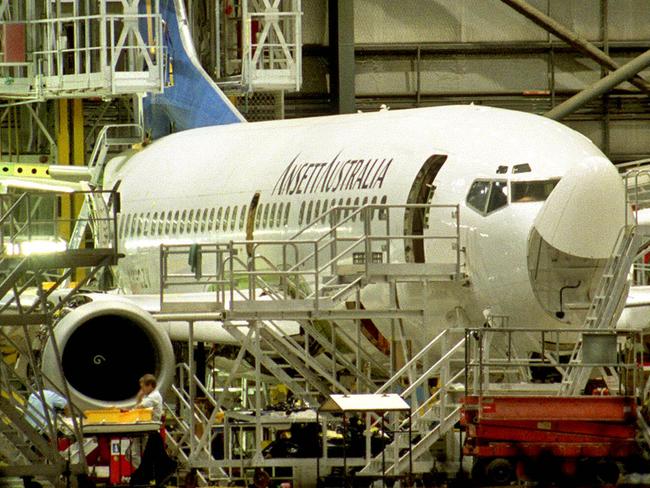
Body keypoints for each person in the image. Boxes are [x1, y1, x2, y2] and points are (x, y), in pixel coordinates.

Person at [129, 374, 177, 487]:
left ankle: (145, 473)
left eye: (143, 387)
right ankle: (144, 473)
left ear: (150, 385)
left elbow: (139, 407)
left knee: (134, 453)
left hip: (148, 429)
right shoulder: (149, 396)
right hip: (145, 428)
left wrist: (138, 397)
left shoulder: (153, 396)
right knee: (132, 453)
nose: (142, 390)